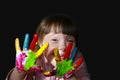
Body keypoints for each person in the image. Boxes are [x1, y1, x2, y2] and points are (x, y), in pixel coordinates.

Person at [6, 14, 91, 80]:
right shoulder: (36, 59)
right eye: (54, 40)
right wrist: (20, 70)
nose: (63, 46)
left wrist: (69, 75)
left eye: (70, 41)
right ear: (40, 43)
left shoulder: (76, 60)